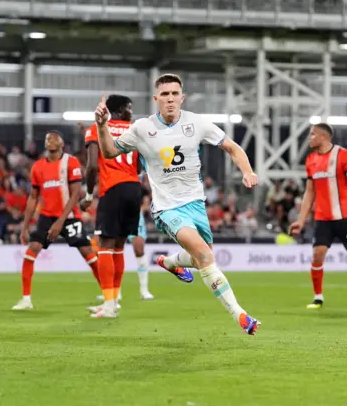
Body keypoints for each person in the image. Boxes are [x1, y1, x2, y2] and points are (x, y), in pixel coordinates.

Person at [93, 74, 261, 335]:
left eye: (174, 94)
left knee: (202, 256)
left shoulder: (197, 123)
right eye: (165, 94)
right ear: (156, 99)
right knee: (205, 256)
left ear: (181, 97)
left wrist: (248, 171)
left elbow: (233, 148)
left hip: (196, 204)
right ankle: (240, 314)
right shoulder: (142, 128)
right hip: (166, 208)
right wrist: (102, 126)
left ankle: (170, 262)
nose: (170, 99)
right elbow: (109, 152)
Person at [289, 123, 347, 309]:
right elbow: (309, 192)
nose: (310, 138)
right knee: (317, 254)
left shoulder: (343, 155)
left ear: (323, 137)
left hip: (346, 215)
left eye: (312, 134)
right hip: (323, 217)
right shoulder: (311, 160)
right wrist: (300, 220)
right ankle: (318, 297)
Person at [12, 131, 99, 310]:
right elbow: (33, 197)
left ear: (62, 143)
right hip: (46, 216)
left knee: (86, 251)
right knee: (32, 250)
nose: (50, 140)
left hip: (69, 216)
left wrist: (60, 221)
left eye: (54, 138)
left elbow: (75, 195)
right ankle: (26, 299)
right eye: (47, 138)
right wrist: (25, 226)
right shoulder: (37, 167)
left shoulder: (70, 162)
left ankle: (109, 295)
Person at [83, 94, 142, 318]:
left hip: (112, 189)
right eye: (129, 107)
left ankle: (108, 306)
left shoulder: (97, 128)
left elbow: (91, 167)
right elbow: (140, 164)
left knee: (105, 246)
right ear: (117, 110)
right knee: (118, 246)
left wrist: (89, 193)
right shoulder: (136, 130)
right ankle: (114, 301)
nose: (131, 112)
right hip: (133, 188)